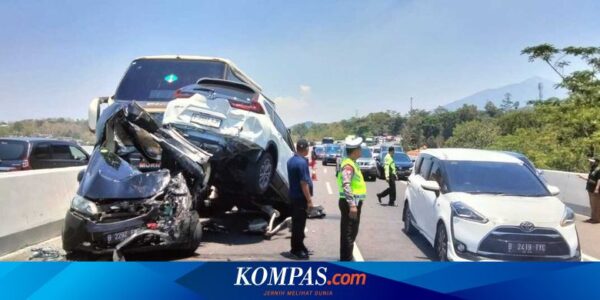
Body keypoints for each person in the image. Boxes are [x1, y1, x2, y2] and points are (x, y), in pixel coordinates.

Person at [337, 136, 367, 261]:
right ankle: (346, 260)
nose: (361, 150)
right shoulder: (348, 165)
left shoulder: (352, 163)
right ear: (355, 151)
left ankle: (347, 257)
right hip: (350, 203)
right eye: (359, 148)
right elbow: (346, 184)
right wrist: (352, 205)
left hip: (352, 202)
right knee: (348, 234)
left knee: (351, 232)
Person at [286, 139, 314, 259]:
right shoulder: (302, 163)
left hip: (293, 196)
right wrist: (309, 200)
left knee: (298, 224)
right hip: (300, 198)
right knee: (299, 225)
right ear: (306, 149)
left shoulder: (291, 160)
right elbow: (304, 183)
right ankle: (296, 249)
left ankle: (300, 246)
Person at [579, 156, 600, 223]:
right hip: (590, 189)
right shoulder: (592, 169)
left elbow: (599, 180)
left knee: (596, 205)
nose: (590, 162)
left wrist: (596, 189)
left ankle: (596, 219)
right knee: (592, 205)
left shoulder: (598, 169)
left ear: (596, 162)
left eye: (592, 162)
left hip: (595, 191)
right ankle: (593, 218)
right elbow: (591, 179)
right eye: (590, 161)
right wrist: (582, 177)